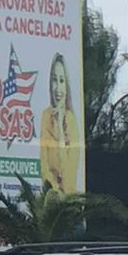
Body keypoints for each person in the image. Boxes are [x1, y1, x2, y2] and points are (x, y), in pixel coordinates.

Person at [39, 53, 82, 193]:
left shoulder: (71, 121)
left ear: (67, 85)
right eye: (54, 80)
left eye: (62, 81)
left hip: (68, 203)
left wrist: (60, 132)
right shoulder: (46, 116)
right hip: (50, 199)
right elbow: (44, 166)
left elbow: (67, 176)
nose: (58, 88)